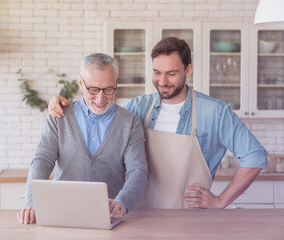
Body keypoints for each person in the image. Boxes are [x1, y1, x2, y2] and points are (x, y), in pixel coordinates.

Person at [48, 37, 267, 209]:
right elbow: (98, 114)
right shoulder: (137, 107)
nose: (162, 82)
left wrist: (220, 201)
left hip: (191, 220)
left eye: (171, 74)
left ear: (187, 71)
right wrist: (64, 105)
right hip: (138, 215)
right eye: (157, 73)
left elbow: (255, 156)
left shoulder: (214, 113)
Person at [17, 53, 148, 224]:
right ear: (81, 83)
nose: (100, 99)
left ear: (116, 83)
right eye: (93, 89)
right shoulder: (59, 116)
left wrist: (122, 201)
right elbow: (42, 161)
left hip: (108, 217)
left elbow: (138, 171)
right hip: (60, 214)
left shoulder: (130, 122)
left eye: (108, 89)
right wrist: (33, 204)